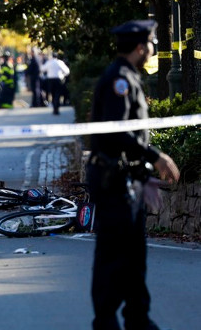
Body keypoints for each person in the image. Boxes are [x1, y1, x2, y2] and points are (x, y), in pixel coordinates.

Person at [86, 19, 180, 330]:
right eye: (152, 43)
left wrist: (145, 172)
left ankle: (137, 317)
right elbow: (117, 133)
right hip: (114, 183)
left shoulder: (126, 77)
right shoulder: (119, 81)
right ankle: (106, 321)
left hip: (127, 180)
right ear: (141, 47)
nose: (153, 49)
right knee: (114, 256)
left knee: (133, 255)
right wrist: (157, 156)